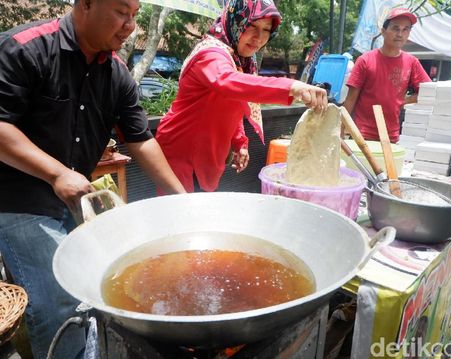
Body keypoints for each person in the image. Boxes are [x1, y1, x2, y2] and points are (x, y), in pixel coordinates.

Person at [0, 0, 185, 358]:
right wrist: (56, 172)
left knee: (111, 278)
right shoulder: (25, 48)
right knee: (60, 298)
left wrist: (181, 198)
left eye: (135, 15)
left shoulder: (116, 73)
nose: (130, 25)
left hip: (72, 199)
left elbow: (141, 139)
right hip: (15, 199)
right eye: (121, 12)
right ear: (85, 4)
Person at [155, 0, 328, 193]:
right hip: (182, 149)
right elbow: (228, 82)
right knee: (181, 215)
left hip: (210, 152)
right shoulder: (211, 53)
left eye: (266, 30)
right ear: (236, 21)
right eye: (252, 26)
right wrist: (291, 86)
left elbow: (232, 101)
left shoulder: (240, 59)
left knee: (199, 212)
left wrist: (239, 142)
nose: (258, 37)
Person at [343, 7, 431, 143]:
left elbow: (429, 92)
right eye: (395, 28)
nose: (400, 34)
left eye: (405, 29)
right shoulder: (365, 60)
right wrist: (340, 130)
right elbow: (350, 100)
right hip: (362, 135)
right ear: (383, 31)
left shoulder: (412, 62)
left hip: (392, 137)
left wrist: (403, 100)